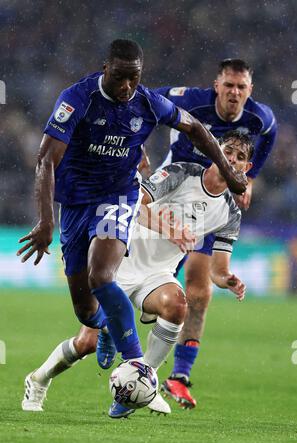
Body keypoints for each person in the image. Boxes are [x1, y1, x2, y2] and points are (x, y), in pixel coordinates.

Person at [17, 39, 247, 386]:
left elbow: (196, 129)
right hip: (77, 202)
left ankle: (137, 367)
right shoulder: (77, 99)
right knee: (85, 308)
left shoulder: (148, 101)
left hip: (119, 195)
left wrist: (228, 173)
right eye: (121, 78)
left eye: (134, 80)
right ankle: (108, 326)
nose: (127, 88)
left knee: (102, 276)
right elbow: (46, 159)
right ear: (105, 68)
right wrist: (46, 220)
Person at [22, 130, 251, 418]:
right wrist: (170, 229)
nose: (232, 159)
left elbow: (218, 270)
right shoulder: (182, 173)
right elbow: (132, 205)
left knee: (177, 306)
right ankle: (39, 379)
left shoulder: (231, 214)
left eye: (240, 157)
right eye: (228, 151)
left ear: (247, 168)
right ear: (216, 150)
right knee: (86, 343)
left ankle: (141, 383)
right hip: (119, 260)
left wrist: (227, 280)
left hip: (157, 274)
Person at [150, 58, 277, 408]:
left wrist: (247, 179)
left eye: (241, 87)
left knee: (199, 292)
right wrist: (138, 149)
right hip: (172, 196)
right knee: (147, 279)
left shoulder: (259, 118)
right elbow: (145, 101)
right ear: (216, 85)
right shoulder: (191, 101)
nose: (234, 93)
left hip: (209, 205)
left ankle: (178, 377)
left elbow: (270, 135)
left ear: (249, 91)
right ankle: (105, 331)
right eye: (228, 85)